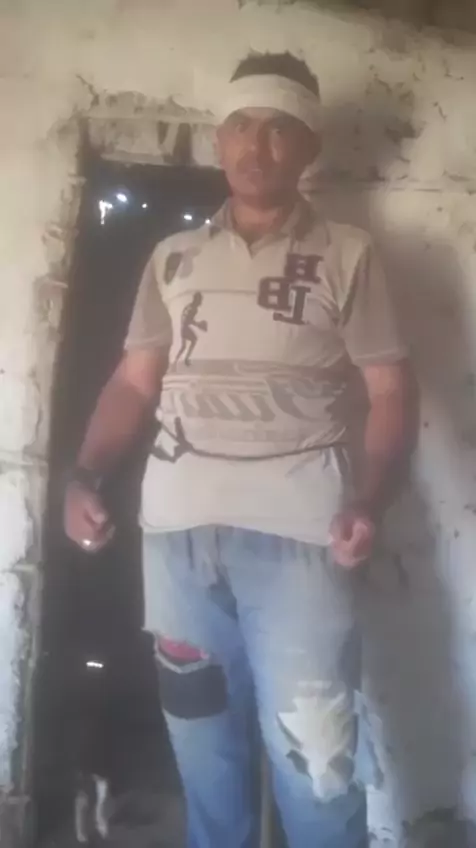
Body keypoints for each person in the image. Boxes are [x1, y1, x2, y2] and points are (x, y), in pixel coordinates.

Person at [64, 51, 411, 848]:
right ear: (218, 140)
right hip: (177, 544)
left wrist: (370, 500)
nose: (257, 146)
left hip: (301, 542)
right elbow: (133, 383)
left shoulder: (347, 254)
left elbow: (392, 391)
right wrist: (85, 474)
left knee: (318, 769)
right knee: (205, 760)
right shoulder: (173, 258)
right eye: (241, 126)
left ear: (308, 148)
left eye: (279, 130)